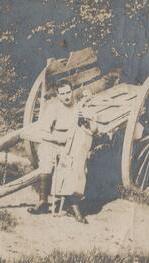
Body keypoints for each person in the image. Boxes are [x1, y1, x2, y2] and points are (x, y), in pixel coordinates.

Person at [27, 81, 96, 223]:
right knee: (46, 161)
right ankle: (43, 201)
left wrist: (85, 122)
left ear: (72, 91)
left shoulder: (78, 107)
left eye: (68, 92)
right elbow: (43, 132)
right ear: (58, 95)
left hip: (71, 143)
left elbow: (91, 128)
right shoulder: (54, 108)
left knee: (76, 168)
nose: (66, 96)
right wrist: (57, 139)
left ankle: (73, 206)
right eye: (63, 93)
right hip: (53, 141)